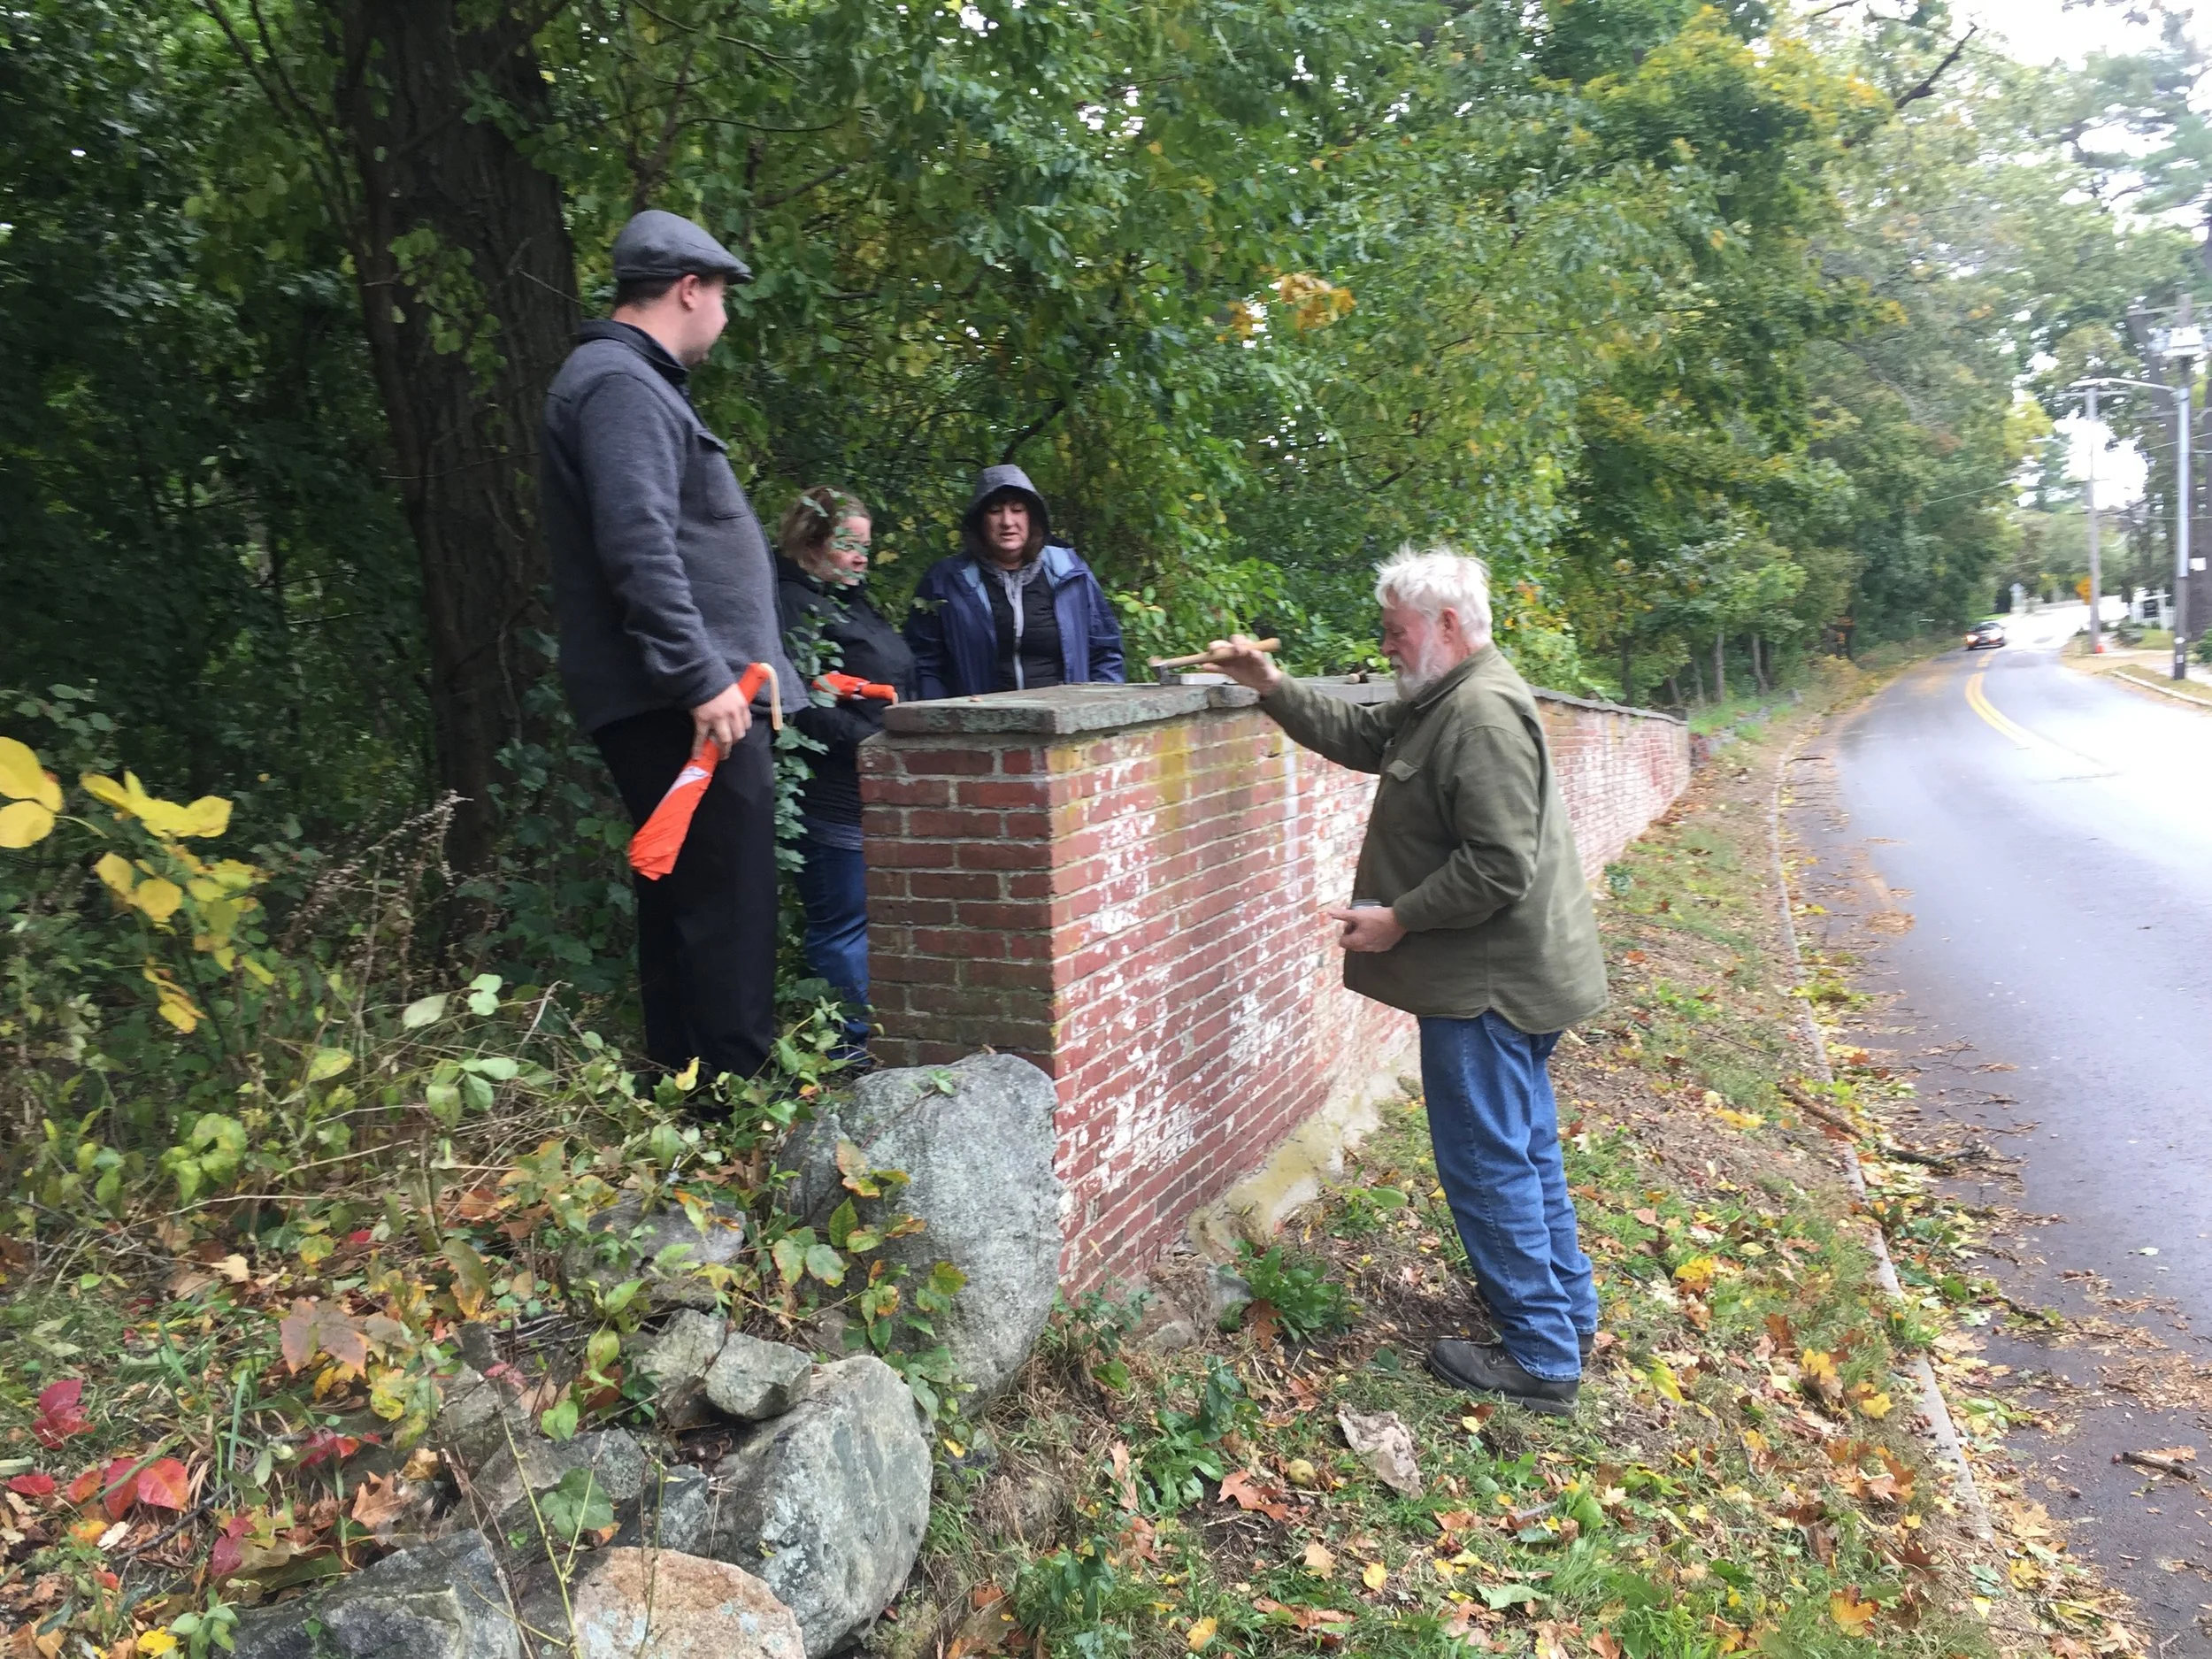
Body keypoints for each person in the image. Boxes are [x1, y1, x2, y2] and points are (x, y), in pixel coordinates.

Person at [1208, 549, 1609, 1415]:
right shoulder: (1445, 699)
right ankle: (1564, 1319)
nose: (1385, 644)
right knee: (1525, 1150)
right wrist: (1268, 683)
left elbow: (1499, 867)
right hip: (1509, 980)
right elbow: (1361, 736)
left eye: (1395, 631)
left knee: (1487, 1163)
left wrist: (1397, 919)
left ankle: (1540, 1358)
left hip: (1488, 989)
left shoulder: (1481, 719)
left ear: (1447, 625)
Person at [541, 209, 800, 1081]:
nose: (724, 317)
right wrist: (700, 678)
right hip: (688, 707)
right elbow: (637, 544)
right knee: (726, 908)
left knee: (689, 902)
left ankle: (692, 1108)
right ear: (689, 288)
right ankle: (741, 1121)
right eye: (723, 295)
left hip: (689, 700)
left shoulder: (629, 383)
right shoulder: (620, 384)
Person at [774, 487, 915, 1052]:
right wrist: (875, 744)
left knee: (871, 925)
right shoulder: (790, 605)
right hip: (828, 795)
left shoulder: (851, 599)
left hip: (876, 788)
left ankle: (868, 1042)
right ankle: (848, 1054)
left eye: (866, 546)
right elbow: (801, 706)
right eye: (847, 544)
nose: (860, 557)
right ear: (811, 542)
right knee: (842, 929)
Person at [904, 465, 1125, 697]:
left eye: (1017, 509)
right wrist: (941, 721)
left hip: (1063, 722)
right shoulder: (946, 581)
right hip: (978, 725)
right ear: (979, 521)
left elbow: (1106, 652)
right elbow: (925, 664)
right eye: (995, 511)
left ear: (1032, 518)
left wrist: (1099, 714)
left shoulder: (1070, 572)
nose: (1007, 522)